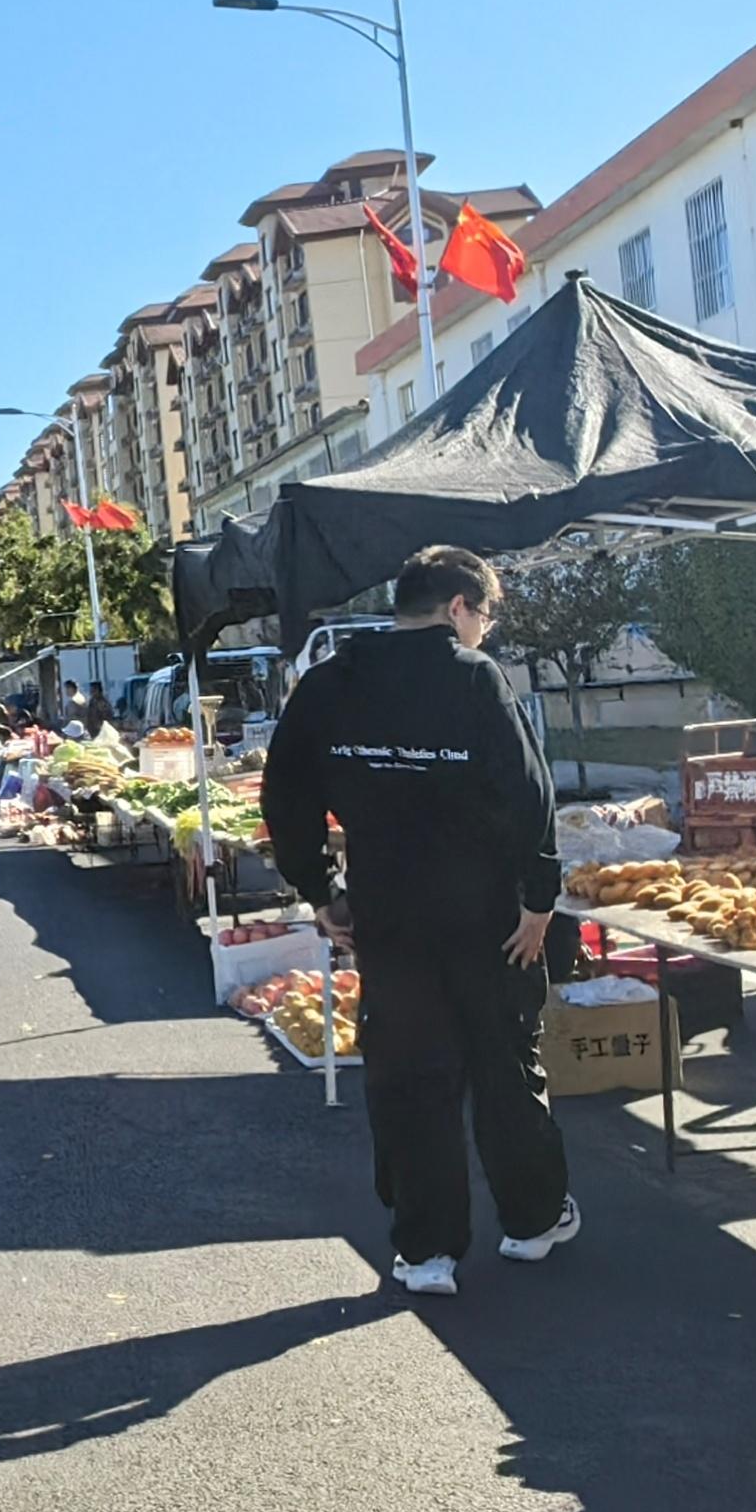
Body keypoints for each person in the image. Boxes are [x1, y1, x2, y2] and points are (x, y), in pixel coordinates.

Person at [261, 545, 573, 1297]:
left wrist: (319, 888)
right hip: (489, 918)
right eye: (484, 617)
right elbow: (528, 795)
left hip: (387, 914)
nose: (483, 632)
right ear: (459, 606)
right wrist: (538, 901)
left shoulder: (329, 682)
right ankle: (531, 1223)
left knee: (408, 1077)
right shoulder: (474, 678)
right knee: (504, 1066)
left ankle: (425, 1250)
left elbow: (285, 795)